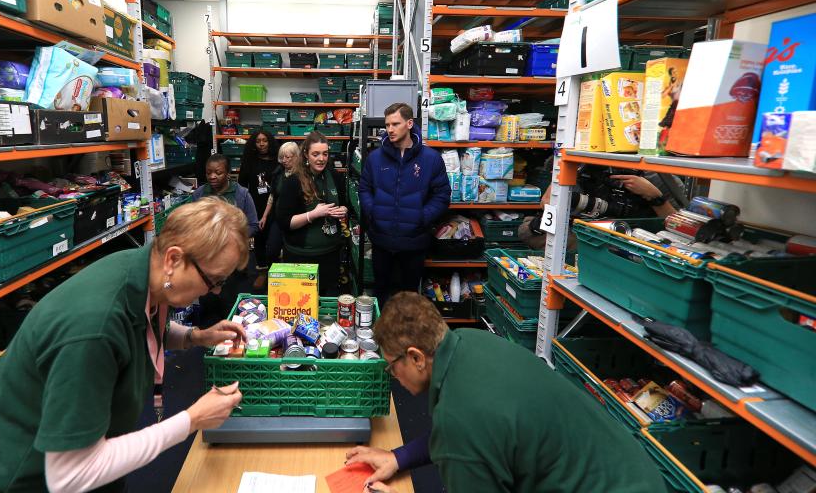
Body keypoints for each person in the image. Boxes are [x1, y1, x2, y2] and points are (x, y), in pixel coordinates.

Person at [0, 199, 249, 493]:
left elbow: (140, 326)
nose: (216, 291)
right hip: (15, 479)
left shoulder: (144, 271)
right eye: (214, 280)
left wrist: (194, 337)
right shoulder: (94, 329)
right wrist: (192, 419)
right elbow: (70, 476)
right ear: (173, 259)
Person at [346, 292, 667, 493]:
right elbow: (477, 436)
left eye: (392, 366)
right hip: (633, 474)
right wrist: (399, 456)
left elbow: (464, 431)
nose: (392, 376)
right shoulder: (472, 342)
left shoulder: (460, 415)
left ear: (416, 357)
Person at [359, 103, 450, 307]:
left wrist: (422, 216)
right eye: (387, 125)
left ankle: (407, 337)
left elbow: (443, 195)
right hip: (382, 241)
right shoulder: (375, 158)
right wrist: (373, 211)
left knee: (410, 298)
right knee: (381, 293)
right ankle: (381, 334)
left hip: (414, 242)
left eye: (395, 124)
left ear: (409, 124)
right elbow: (364, 189)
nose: (390, 129)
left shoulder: (431, 159)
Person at [520, 163, 686, 249]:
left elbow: (678, 230)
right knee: (529, 229)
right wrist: (555, 189)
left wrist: (654, 196)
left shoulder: (657, 177)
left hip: (631, 238)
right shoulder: (585, 168)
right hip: (587, 231)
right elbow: (548, 205)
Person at [275, 132, 347, 296]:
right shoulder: (293, 181)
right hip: (301, 257)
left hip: (330, 254)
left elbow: (344, 203)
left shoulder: (335, 176)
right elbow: (284, 222)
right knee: (301, 301)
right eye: (316, 154)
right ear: (306, 154)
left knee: (326, 304)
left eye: (325, 153)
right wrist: (312, 215)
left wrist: (343, 210)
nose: (321, 158)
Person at [192, 153, 259, 321]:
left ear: (228, 173)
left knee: (236, 307)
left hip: (236, 265)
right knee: (210, 307)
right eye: (208, 173)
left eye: (218, 172)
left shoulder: (242, 194)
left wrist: (232, 240)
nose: (212, 176)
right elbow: (191, 224)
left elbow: (253, 224)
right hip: (208, 263)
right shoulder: (200, 194)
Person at [237, 131, 279, 280]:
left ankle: (276, 271)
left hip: (277, 206)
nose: (261, 144)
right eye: (258, 141)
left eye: (265, 140)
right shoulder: (249, 161)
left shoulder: (278, 160)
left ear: (270, 142)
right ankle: (262, 271)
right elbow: (242, 184)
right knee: (260, 238)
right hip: (256, 205)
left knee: (275, 241)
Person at [260, 141, 300, 272]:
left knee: (292, 253)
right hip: (278, 219)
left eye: (287, 157)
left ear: (296, 157)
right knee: (271, 250)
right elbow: (272, 196)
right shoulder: (278, 173)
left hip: (296, 219)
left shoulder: (303, 175)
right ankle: (273, 277)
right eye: (282, 157)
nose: (284, 161)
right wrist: (265, 216)